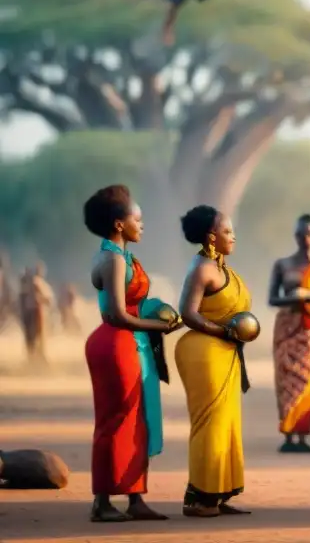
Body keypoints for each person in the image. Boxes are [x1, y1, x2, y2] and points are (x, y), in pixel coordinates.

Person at [83, 185, 181, 522]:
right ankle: (102, 502)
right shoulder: (110, 259)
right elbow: (115, 314)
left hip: (131, 341)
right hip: (115, 342)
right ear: (119, 224)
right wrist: (157, 326)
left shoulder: (124, 256)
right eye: (137, 219)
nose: (143, 224)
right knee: (115, 420)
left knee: (137, 420)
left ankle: (135, 497)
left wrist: (158, 316)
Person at [174, 205, 253, 518]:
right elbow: (188, 313)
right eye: (227, 231)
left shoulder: (222, 267)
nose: (233, 236)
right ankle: (199, 498)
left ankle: (219, 494)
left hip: (226, 351)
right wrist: (223, 330)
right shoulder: (203, 268)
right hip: (204, 351)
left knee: (227, 423)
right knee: (210, 424)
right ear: (210, 237)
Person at [269, 213, 310, 453]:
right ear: (295, 236)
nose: (304, 238)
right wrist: (293, 297)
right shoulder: (282, 265)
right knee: (287, 379)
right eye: (300, 233)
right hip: (287, 328)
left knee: (308, 381)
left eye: (308, 233)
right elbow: (272, 298)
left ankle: (303, 434)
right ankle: (288, 434)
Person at [19, 262, 54, 364]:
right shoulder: (37, 283)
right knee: (37, 337)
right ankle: (36, 359)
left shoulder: (29, 284)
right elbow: (46, 299)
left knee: (32, 337)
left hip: (31, 314)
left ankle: (33, 358)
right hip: (36, 314)